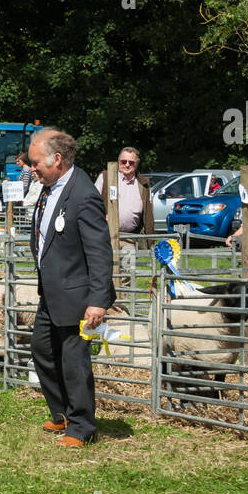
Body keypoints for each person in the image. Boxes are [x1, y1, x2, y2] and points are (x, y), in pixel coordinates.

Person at [28, 128, 115, 447]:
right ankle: (62, 411)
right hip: (51, 293)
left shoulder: (83, 194)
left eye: (36, 163)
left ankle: (81, 426)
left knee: (74, 361)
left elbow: (100, 251)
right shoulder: (50, 188)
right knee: (41, 349)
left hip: (77, 295)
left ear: (57, 160)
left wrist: (98, 301)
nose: (32, 168)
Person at [93, 147, 153, 274]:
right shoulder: (105, 177)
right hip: (106, 236)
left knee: (128, 272)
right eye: (123, 161)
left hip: (129, 238)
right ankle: (109, 294)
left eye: (131, 162)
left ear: (136, 164)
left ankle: (125, 294)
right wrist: (101, 215)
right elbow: (91, 202)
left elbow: (149, 215)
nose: (127, 165)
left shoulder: (143, 184)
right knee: (105, 271)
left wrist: (151, 241)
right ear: (118, 161)